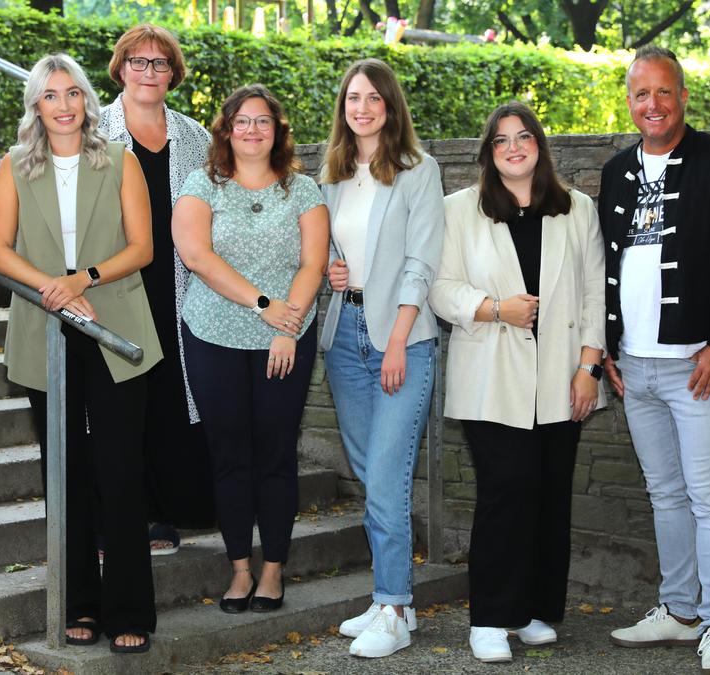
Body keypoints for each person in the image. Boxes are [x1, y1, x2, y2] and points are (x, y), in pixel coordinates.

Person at [599, 47, 710, 675]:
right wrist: (606, 349)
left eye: (663, 92)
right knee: (664, 494)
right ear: (629, 100)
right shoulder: (617, 173)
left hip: (696, 366)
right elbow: (605, 271)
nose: (653, 105)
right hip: (634, 369)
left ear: (683, 96)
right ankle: (678, 609)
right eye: (641, 94)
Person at [0, 53, 162, 652]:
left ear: (87, 101)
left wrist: (81, 279)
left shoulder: (119, 159)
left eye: (73, 94)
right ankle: (78, 604)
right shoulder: (14, 166)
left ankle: (131, 610)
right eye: (51, 96)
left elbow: (142, 247)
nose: (64, 105)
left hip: (114, 323)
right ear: (36, 105)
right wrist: (50, 290)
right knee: (65, 475)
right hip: (44, 327)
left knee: (119, 472)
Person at [428, 102, 606, 663]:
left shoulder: (577, 209)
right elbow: (440, 287)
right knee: (506, 492)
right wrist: (492, 308)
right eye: (501, 139)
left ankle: (531, 609)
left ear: (539, 145)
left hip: (563, 375)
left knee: (550, 494)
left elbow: (596, 293)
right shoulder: (459, 210)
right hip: (491, 376)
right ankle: (490, 617)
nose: (513, 147)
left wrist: (589, 367)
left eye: (523, 136)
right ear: (487, 152)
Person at [171, 84, 328, 616]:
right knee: (230, 455)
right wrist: (262, 303)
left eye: (263, 122)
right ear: (227, 131)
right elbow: (195, 254)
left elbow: (312, 264)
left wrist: (286, 326)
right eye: (243, 122)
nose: (253, 131)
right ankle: (239, 568)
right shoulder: (202, 184)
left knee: (277, 455)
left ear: (277, 132)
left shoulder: (303, 190)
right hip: (212, 334)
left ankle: (274, 569)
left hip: (285, 337)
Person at [318, 58, 444, 659]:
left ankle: (393, 606)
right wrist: (330, 271)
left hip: (402, 339)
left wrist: (398, 339)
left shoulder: (419, 172)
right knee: (373, 478)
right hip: (345, 336)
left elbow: (421, 264)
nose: (361, 108)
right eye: (352, 98)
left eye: (373, 98)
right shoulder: (335, 174)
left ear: (391, 107)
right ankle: (392, 598)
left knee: (387, 480)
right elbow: (325, 253)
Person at [97, 24, 215, 556]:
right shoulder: (92, 130)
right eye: (138, 62)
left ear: (174, 73)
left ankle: (166, 512)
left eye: (159, 64)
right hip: (115, 281)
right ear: (120, 68)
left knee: (171, 395)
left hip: (182, 283)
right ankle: (122, 515)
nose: (148, 72)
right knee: (120, 400)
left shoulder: (196, 137)